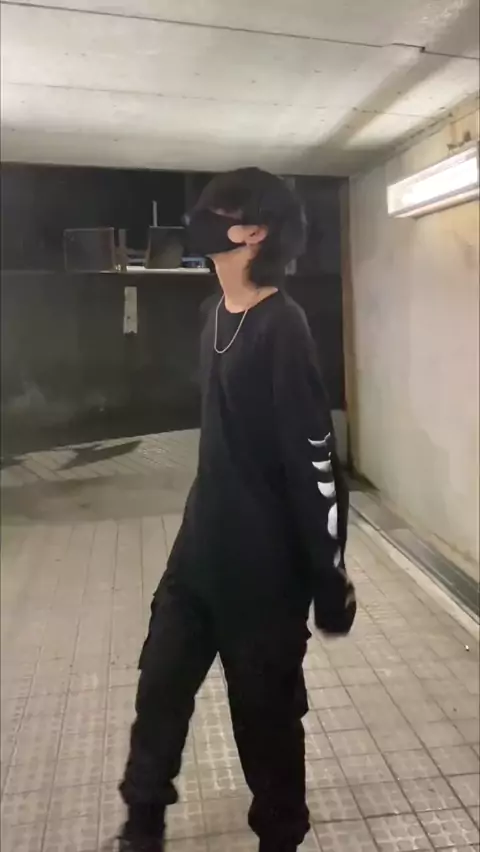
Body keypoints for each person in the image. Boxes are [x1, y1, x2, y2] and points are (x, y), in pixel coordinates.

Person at [112, 168, 356, 852]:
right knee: (159, 689)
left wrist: (329, 577)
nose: (202, 222)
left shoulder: (283, 327)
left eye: (218, 213)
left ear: (253, 233)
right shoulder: (212, 313)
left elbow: (315, 460)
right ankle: (142, 825)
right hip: (199, 552)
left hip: (264, 573)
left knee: (266, 720)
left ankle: (281, 836)